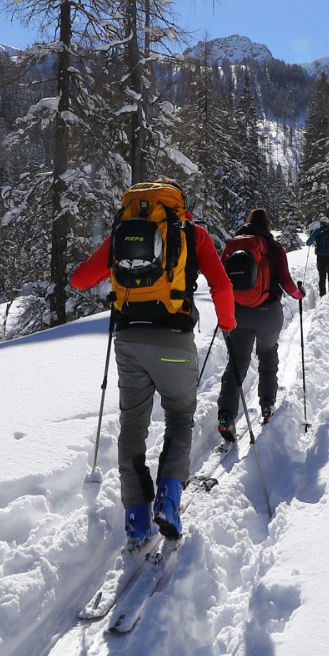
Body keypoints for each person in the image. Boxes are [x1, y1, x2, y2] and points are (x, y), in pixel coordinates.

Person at [71, 181, 235, 547]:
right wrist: (227, 323)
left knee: (132, 426)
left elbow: (80, 279)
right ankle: (169, 499)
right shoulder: (193, 233)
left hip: (129, 341)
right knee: (179, 416)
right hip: (174, 339)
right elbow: (222, 287)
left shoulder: (121, 230)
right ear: (179, 204)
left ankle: (137, 518)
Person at [215, 208, 304, 441]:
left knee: (236, 364)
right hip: (268, 312)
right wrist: (299, 294)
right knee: (267, 356)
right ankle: (266, 405)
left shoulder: (233, 246)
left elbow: (221, 279)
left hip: (238, 314)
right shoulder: (274, 248)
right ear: (267, 225)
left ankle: (225, 416)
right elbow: (286, 282)